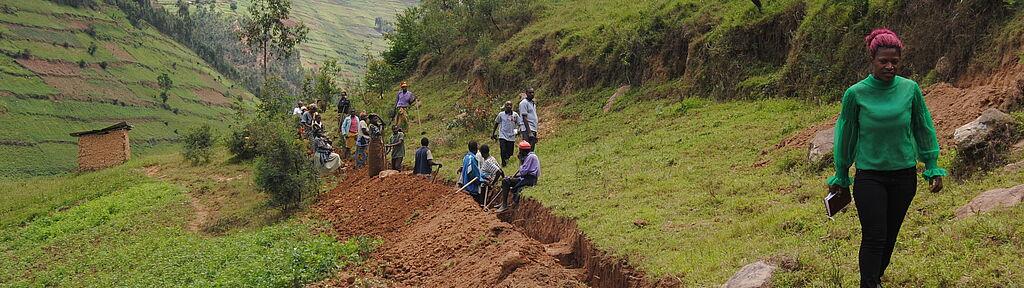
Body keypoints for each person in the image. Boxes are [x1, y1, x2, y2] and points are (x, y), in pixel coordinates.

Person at [828, 29, 946, 288]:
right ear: (873, 60)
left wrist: (932, 166)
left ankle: (875, 277)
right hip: (870, 176)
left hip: (904, 175)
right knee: (874, 235)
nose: (890, 66)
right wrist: (841, 173)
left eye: (895, 61)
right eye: (884, 61)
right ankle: (868, 284)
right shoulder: (856, 93)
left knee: (890, 234)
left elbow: (923, 127)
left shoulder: (910, 89)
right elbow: (846, 134)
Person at [495, 141, 539, 213]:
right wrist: (513, 176)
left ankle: (504, 204)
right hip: (526, 177)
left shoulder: (530, 157)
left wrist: (520, 160)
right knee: (507, 179)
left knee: (505, 181)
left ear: (523, 151)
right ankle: (503, 202)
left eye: (520, 151)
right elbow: (524, 172)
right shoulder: (529, 156)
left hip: (530, 180)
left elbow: (523, 172)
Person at [491, 101, 523, 167]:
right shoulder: (501, 114)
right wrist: (493, 133)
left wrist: (518, 130)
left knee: (510, 152)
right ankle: (503, 163)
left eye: (510, 105)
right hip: (503, 135)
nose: (509, 106)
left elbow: (520, 124)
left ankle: (507, 160)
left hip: (511, 136)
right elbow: (496, 123)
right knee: (503, 150)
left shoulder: (515, 115)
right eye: (507, 105)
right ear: (505, 106)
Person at [460, 141, 483, 206]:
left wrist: (484, 176)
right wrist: (481, 181)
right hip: (471, 188)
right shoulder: (472, 159)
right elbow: (473, 174)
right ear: (476, 148)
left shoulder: (466, 157)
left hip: (466, 186)